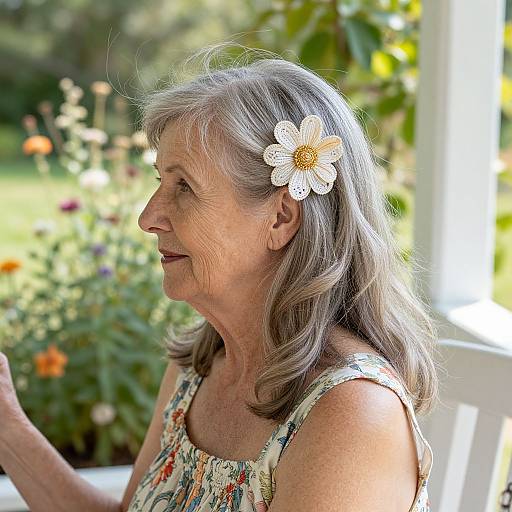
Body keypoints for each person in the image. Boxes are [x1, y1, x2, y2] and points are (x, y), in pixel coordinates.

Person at [0, 44, 439, 511]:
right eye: (159, 183)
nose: (148, 217)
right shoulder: (201, 366)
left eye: (184, 187)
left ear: (280, 219)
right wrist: (7, 424)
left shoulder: (350, 414)